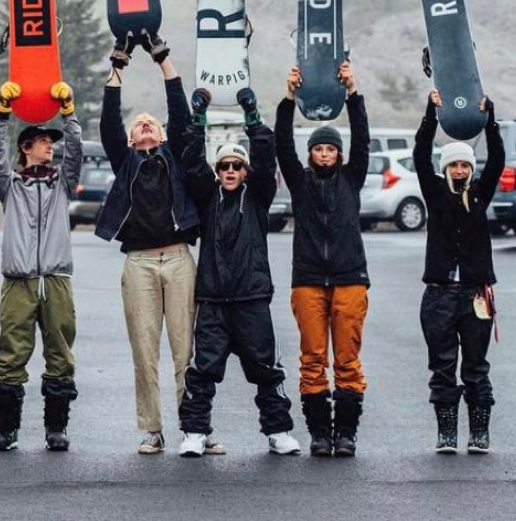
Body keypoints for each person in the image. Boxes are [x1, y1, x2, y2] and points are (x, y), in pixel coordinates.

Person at [95, 31, 217, 455]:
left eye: (152, 123)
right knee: (144, 352)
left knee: (186, 350)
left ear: (162, 136)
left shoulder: (177, 158)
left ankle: (194, 428)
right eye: (138, 124)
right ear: (131, 140)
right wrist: (120, 63)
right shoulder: (125, 160)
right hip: (140, 264)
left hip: (180, 258)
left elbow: (180, 112)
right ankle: (152, 429)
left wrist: (162, 57)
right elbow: (109, 118)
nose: (145, 122)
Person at [177, 86, 301, 457]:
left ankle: (278, 432)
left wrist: (252, 114)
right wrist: (198, 119)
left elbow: (266, 153)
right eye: (224, 166)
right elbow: (191, 163)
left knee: (267, 371)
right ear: (218, 172)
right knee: (201, 373)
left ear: (245, 171)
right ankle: (195, 433)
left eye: (236, 166)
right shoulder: (207, 197)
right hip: (213, 301)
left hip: (251, 300)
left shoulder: (259, 195)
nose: (230, 170)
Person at [276, 61, 370, 457]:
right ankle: (319, 433)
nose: (325, 153)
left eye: (331, 148)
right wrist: (289, 98)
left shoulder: (353, 178)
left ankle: (345, 434)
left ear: (339, 154)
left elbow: (362, 138)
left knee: (348, 361)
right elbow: (282, 143)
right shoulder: (299, 183)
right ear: (311, 153)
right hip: (309, 280)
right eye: (319, 148)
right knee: (312, 359)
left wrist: (353, 93)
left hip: (350, 278)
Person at [0, 80, 82, 452]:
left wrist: (69, 112)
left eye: (51, 141)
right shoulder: (9, 185)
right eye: (43, 141)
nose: (50, 146)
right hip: (18, 281)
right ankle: (5, 430)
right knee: (11, 354)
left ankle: (55, 428)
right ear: (26, 148)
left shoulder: (61, 183)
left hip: (56, 280)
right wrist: (3, 115)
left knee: (60, 353)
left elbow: (74, 153)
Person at [413, 90, 505, 454]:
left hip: (475, 294)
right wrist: (430, 115)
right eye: (454, 165)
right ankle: (446, 434)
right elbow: (421, 155)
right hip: (438, 294)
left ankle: (479, 434)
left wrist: (490, 120)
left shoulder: (482, 192)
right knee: (442, 366)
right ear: (446, 168)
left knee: (477, 366)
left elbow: (497, 159)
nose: (460, 170)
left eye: (465, 165)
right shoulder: (434, 192)